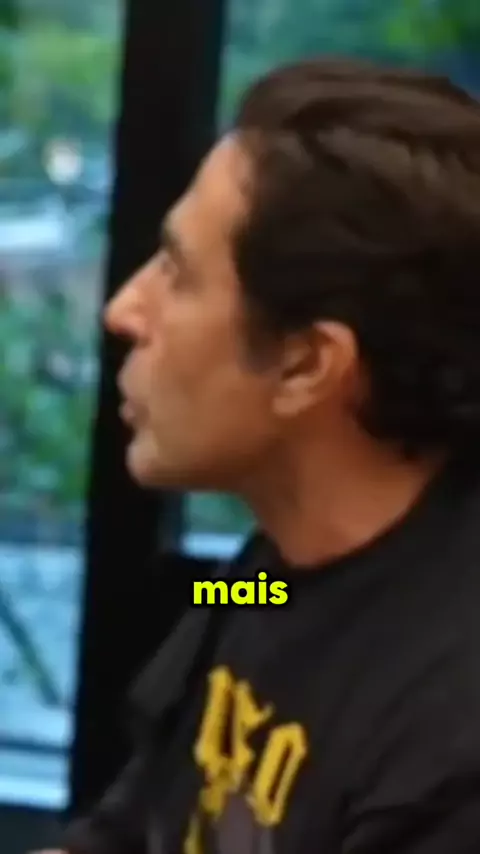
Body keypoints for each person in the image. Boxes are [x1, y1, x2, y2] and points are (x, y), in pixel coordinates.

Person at [42, 57, 480, 853]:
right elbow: (132, 828)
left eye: (177, 273)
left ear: (307, 365)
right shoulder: (273, 570)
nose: (124, 309)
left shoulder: (449, 742)